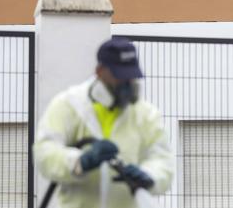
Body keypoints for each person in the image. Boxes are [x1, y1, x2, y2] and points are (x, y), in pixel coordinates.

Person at [34, 37, 174, 208]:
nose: (127, 84)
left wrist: (149, 176)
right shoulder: (69, 106)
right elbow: (43, 152)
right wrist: (79, 162)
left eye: (130, 77)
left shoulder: (145, 114)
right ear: (100, 72)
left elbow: (163, 160)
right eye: (120, 77)